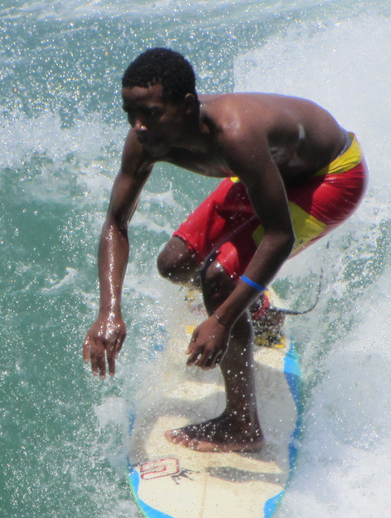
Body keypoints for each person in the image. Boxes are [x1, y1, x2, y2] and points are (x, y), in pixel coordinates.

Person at [82, 48, 366, 452]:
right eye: (130, 113)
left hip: (330, 177)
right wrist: (109, 310)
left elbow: (279, 235)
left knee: (218, 279)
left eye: (150, 113)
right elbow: (116, 223)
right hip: (268, 172)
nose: (139, 127)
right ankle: (260, 313)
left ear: (185, 106)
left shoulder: (235, 134)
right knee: (175, 264)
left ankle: (242, 427)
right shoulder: (146, 138)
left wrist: (223, 318)